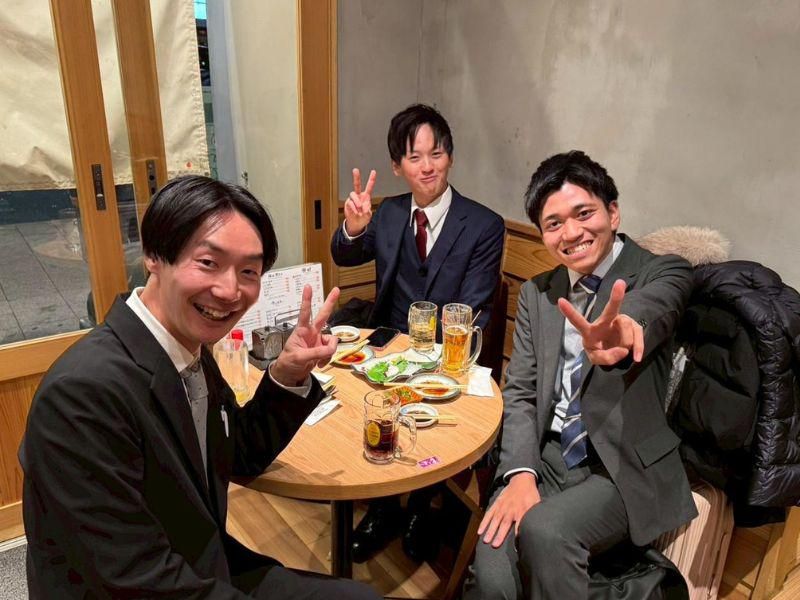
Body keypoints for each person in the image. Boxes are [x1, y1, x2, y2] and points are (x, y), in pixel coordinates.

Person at [19, 176, 379, 600]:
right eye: (208, 262)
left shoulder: (184, 346)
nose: (230, 291)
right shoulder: (81, 396)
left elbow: (238, 453)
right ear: (154, 255)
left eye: (249, 271)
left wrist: (287, 373)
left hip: (201, 563)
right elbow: (134, 580)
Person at [464, 151, 697, 599]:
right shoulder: (538, 293)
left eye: (584, 213)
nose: (571, 233)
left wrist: (626, 327)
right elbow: (521, 392)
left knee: (545, 531)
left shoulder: (661, 270)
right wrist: (520, 474)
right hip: (547, 459)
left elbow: (657, 304)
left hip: (620, 468)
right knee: (491, 573)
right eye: (554, 224)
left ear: (613, 212)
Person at [330, 103, 505, 563]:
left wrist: (429, 361)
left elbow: (472, 306)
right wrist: (353, 228)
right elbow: (345, 255)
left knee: (428, 417)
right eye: (414, 157)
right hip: (387, 345)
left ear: (450, 157)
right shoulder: (389, 213)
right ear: (397, 166)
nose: (427, 166)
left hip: (446, 354)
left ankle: (423, 509)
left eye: (436, 154)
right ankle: (384, 508)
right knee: (367, 407)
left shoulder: (483, 224)